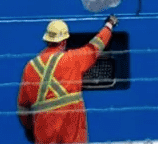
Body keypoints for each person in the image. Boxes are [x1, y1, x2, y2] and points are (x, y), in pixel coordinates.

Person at [17, 15, 119, 144]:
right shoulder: (73, 59)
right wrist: (109, 25)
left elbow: (23, 109)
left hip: (44, 132)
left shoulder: (30, 68)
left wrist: (30, 129)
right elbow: (95, 46)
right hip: (72, 132)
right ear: (64, 41)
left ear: (47, 40)